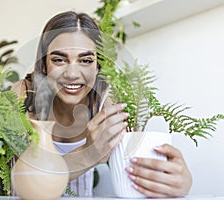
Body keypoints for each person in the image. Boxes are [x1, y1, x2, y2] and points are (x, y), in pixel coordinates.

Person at [12, 11, 192, 198]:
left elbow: (135, 161)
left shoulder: (106, 99)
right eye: (59, 59)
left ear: (98, 66)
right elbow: (25, 183)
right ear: (43, 64)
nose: (72, 73)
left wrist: (179, 180)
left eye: (86, 60)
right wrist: (87, 154)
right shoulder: (24, 95)